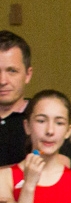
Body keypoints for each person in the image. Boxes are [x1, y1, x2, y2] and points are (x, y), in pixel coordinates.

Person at [0, 32, 35, 167]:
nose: (3, 81)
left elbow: (57, 171)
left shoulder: (43, 118)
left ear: (27, 75)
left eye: (12, 71)